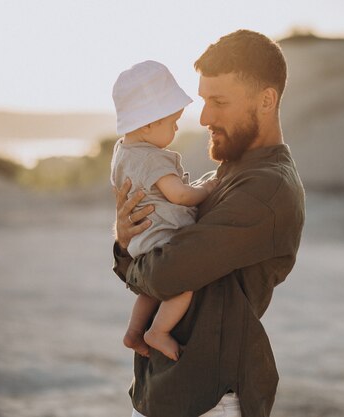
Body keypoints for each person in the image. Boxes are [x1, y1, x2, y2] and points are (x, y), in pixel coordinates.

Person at [112, 29, 305, 417]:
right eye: (203, 100)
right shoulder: (231, 173)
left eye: (218, 102)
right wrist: (123, 240)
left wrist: (128, 257)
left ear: (267, 100)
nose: (203, 117)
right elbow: (158, 244)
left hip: (208, 399)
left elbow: (167, 273)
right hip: (165, 387)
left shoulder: (265, 189)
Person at [110, 60, 218, 362]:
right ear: (147, 123)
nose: (175, 128)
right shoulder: (153, 159)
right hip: (162, 238)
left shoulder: (123, 152)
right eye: (172, 122)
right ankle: (157, 331)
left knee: (152, 290)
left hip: (141, 244)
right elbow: (180, 195)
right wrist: (206, 190)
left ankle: (133, 332)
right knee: (183, 284)